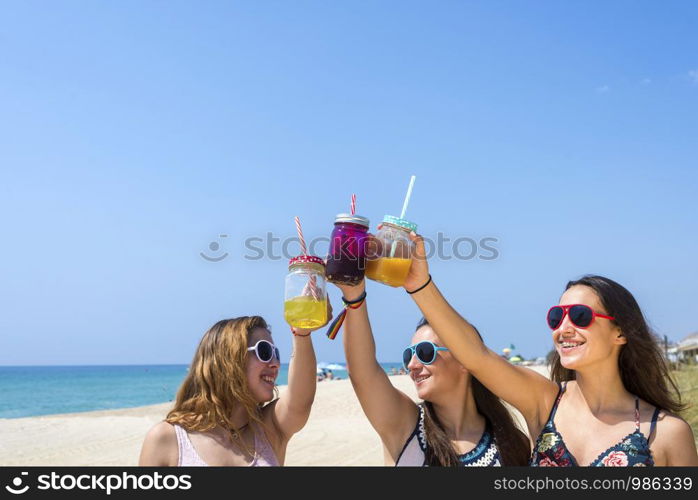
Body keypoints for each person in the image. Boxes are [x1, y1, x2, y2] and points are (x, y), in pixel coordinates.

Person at [403, 232, 698, 466]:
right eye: (557, 317)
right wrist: (420, 285)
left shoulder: (667, 433)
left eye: (580, 316)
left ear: (620, 332)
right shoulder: (545, 402)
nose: (563, 328)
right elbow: (476, 355)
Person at [334, 279, 530, 466]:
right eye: (408, 355)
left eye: (424, 352)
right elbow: (363, 373)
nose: (412, 365)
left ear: (465, 360)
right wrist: (354, 295)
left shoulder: (512, 442)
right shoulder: (404, 425)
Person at [139, 307, 331, 466]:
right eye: (264, 351)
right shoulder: (168, 439)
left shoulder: (269, 429)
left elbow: (301, 401)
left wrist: (302, 334)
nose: (275, 363)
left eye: (276, 353)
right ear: (228, 359)